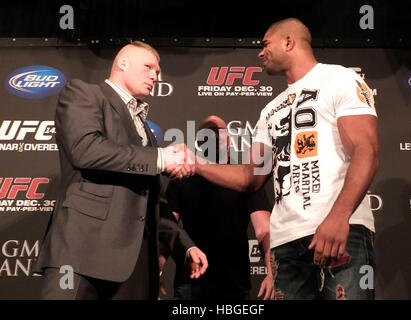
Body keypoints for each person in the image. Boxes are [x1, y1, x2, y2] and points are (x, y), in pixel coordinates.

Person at [195, 18, 379, 300]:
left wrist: (339, 216)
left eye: (265, 44)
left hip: (340, 230)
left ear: (289, 42)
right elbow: (249, 177)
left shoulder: (339, 78)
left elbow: (366, 151)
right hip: (285, 245)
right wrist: (195, 163)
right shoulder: (270, 110)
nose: (260, 52)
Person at [33, 41, 207, 300]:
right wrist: (161, 157)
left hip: (135, 267)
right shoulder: (85, 93)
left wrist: (183, 245)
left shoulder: (146, 130)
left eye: (157, 73)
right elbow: (85, 149)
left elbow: (152, 201)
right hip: (81, 253)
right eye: (148, 67)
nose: (154, 76)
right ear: (122, 64)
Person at [164, 115, 274, 300]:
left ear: (230, 139)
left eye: (220, 132)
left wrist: (271, 272)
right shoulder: (181, 178)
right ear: (199, 141)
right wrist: (157, 272)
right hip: (190, 281)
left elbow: (264, 229)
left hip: (234, 282)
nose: (214, 136)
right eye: (208, 131)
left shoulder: (245, 179)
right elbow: (167, 227)